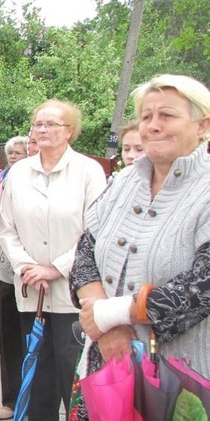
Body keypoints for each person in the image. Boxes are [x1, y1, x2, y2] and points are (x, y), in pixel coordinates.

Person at [70, 74, 210, 418]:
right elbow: (85, 252)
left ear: (203, 125)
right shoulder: (123, 181)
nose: (153, 126)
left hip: (181, 378)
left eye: (167, 116)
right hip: (107, 368)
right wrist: (107, 326)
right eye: (147, 117)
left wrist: (113, 314)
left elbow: (202, 285)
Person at [0, 99, 106, 420]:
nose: (42, 130)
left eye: (52, 124)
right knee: (37, 382)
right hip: (32, 290)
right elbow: (6, 229)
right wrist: (28, 267)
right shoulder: (18, 173)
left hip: (75, 295)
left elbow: (95, 230)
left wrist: (55, 268)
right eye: (38, 124)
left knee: (72, 380)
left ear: (69, 131)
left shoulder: (89, 171)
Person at [0, 135, 29, 421]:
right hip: (7, 271)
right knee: (11, 340)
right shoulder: (6, 180)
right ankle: (11, 401)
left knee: (39, 343)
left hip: (46, 276)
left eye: (21, 151)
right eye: (11, 152)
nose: (15, 156)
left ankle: (37, 401)